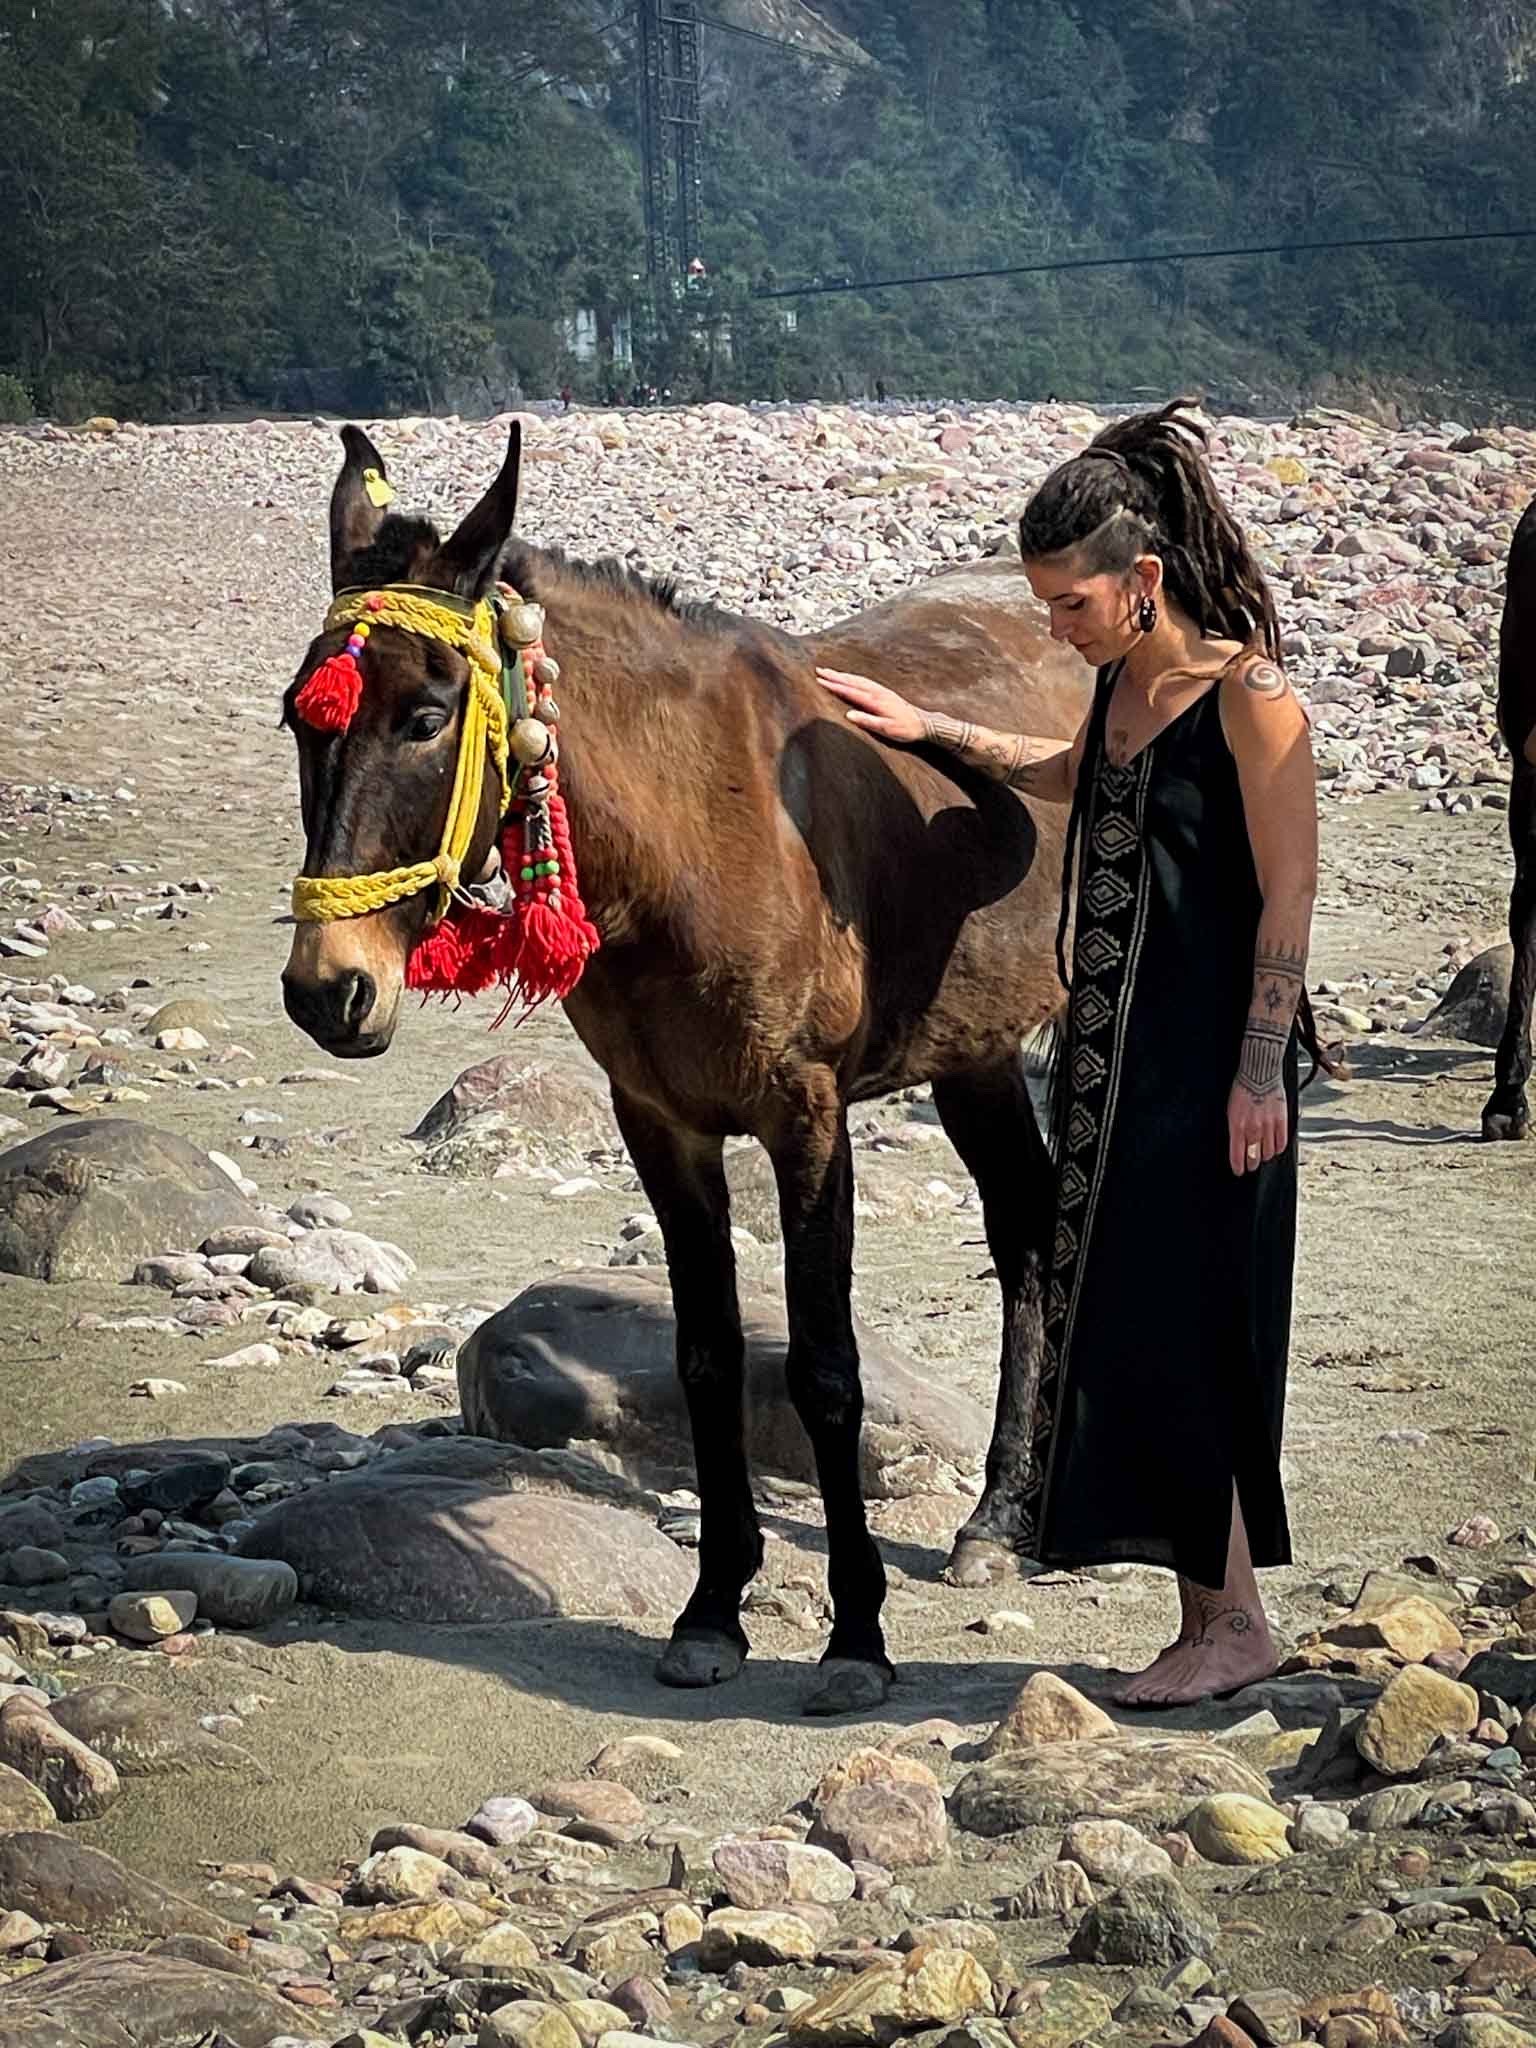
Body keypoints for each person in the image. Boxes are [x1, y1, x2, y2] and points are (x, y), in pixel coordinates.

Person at [817, 401, 1320, 1707]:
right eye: (1045, 606)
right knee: (1138, 1330)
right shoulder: (1127, 690)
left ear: (1144, 581)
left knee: (1202, 1332)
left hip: (1214, 1068)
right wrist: (932, 735)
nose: (1056, 629)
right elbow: (1068, 770)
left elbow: (1289, 899)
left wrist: (1261, 1071)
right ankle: (1211, 1616)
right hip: (1117, 1058)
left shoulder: (1254, 700)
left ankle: (1235, 1625)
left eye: (1073, 606)